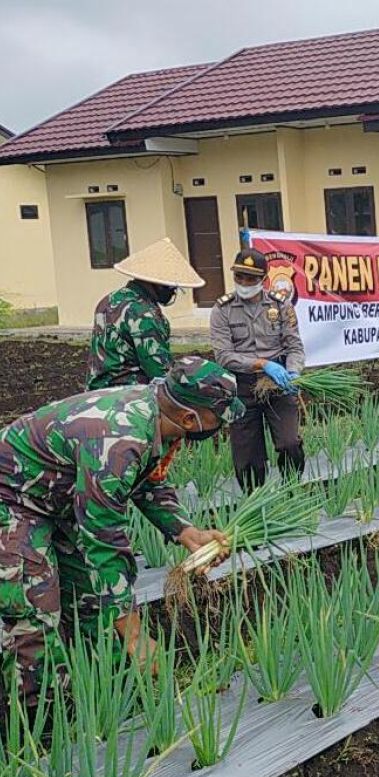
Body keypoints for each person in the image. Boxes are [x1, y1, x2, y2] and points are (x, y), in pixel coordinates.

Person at [0, 357, 239, 707]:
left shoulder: (158, 412)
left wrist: (187, 532)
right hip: (12, 498)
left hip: (58, 497)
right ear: (190, 418)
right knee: (34, 610)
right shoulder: (119, 438)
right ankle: (44, 722)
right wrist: (136, 635)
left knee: (93, 601)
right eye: (219, 418)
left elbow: (147, 483)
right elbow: (104, 540)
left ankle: (112, 697)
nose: (222, 425)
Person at [210, 248, 306, 491]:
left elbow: (294, 346)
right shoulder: (223, 309)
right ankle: (256, 503)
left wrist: (293, 372)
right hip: (242, 388)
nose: (244, 283)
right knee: (248, 459)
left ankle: (292, 489)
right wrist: (262, 364)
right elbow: (223, 356)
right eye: (240, 277)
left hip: (278, 385)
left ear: (263, 279)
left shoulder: (280, 305)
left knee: (289, 443)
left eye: (251, 278)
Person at [86, 238, 206, 390]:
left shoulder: (109, 299)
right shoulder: (144, 314)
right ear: (155, 283)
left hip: (97, 392)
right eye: (171, 287)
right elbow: (159, 371)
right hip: (128, 396)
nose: (173, 292)